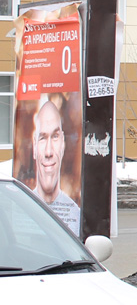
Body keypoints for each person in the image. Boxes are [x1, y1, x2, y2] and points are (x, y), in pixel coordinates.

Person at [32, 99, 81, 237]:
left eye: (54, 137)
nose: (49, 152)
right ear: (34, 146)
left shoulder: (75, 215)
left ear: (63, 144)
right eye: (42, 138)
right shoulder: (20, 210)